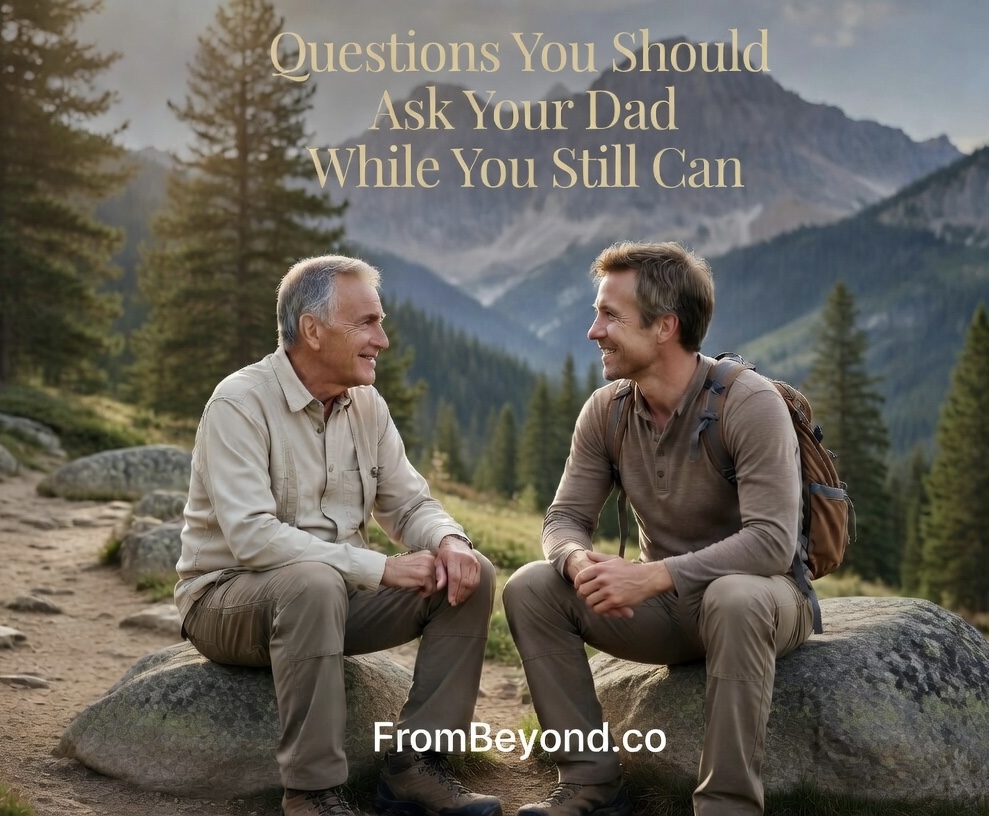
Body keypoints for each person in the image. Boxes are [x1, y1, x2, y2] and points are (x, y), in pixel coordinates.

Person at [175, 255, 502, 816]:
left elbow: (408, 503)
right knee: (313, 583)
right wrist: (381, 569)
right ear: (313, 330)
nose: (384, 339)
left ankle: (416, 771)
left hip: (335, 598)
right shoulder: (239, 402)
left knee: (470, 573)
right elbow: (252, 538)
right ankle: (311, 794)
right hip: (227, 601)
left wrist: (449, 541)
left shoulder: (366, 405)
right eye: (368, 323)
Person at [503, 241, 814, 816]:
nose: (594, 331)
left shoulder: (749, 403)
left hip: (764, 599)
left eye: (610, 316)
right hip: (671, 611)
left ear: (665, 326)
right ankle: (591, 784)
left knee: (735, 596)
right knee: (530, 587)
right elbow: (563, 518)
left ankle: (726, 806)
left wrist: (655, 577)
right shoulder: (608, 409)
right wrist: (577, 561)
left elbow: (772, 542)